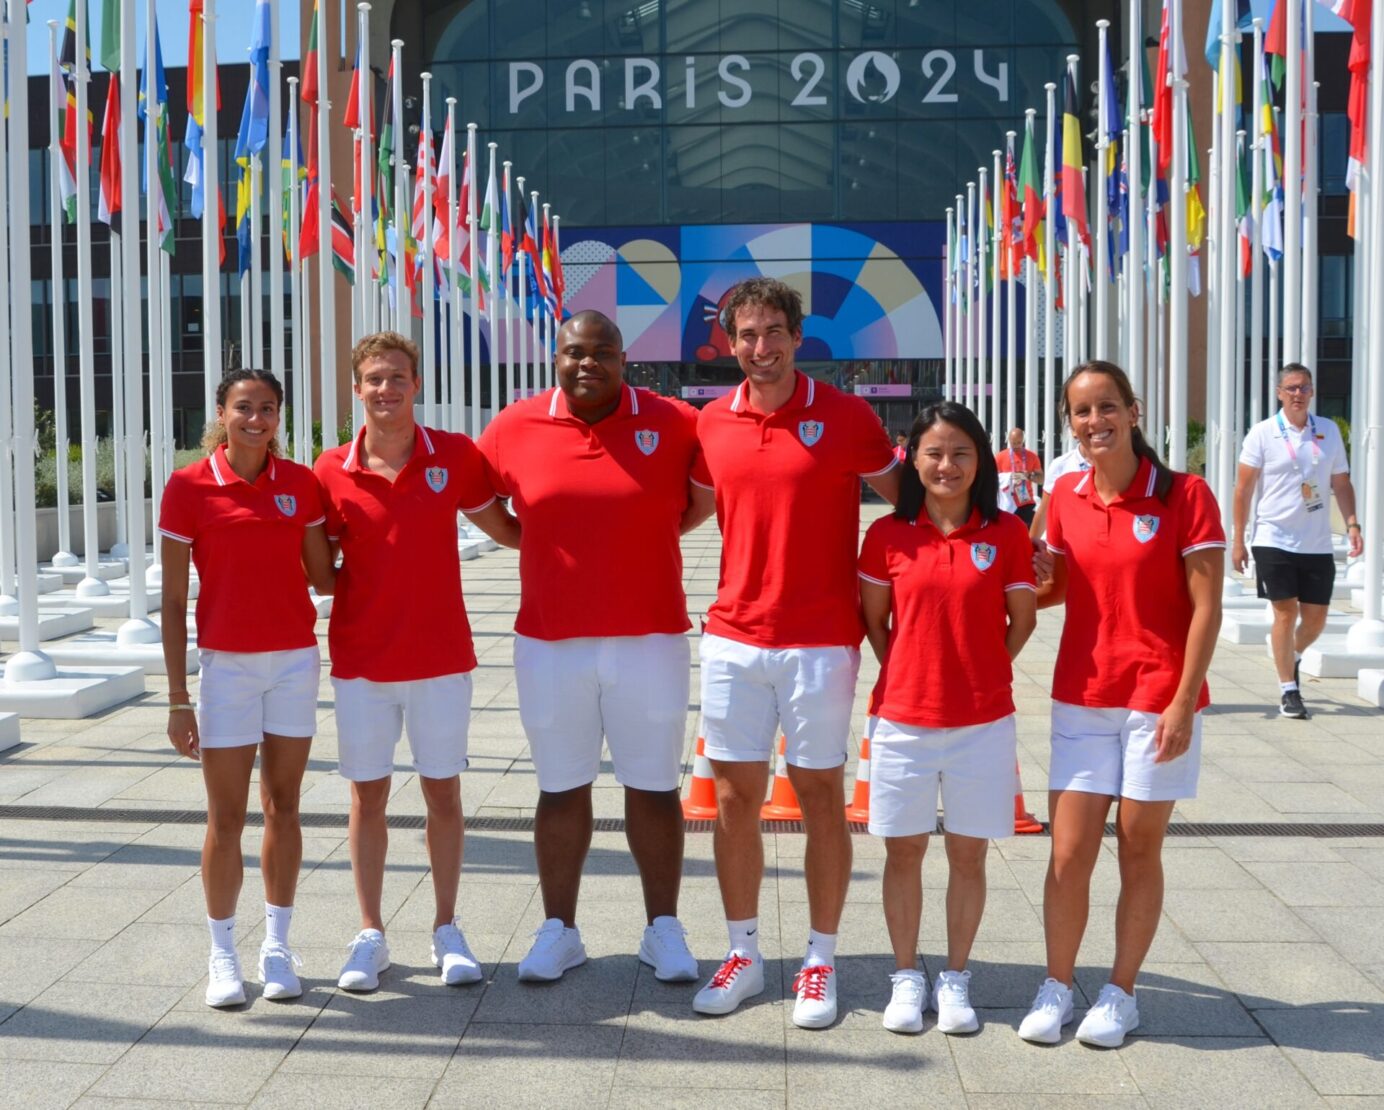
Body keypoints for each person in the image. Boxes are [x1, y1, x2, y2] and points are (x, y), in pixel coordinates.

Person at [688, 277, 900, 1028]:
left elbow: (911, 499)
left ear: (797, 336)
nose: (760, 347)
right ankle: (744, 952)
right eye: (746, 334)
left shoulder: (846, 417)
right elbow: (678, 513)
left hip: (819, 642)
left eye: (773, 331)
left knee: (819, 803)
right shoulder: (711, 423)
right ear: (729, 342)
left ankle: (819, 959)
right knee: (735, 802)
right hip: (733, 640)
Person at [477, 311, 712, 983]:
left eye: (601, 353)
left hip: (650, 638)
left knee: (654, 787)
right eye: (574, 353)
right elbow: (483, 500)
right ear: (556, 357)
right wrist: (535, 541)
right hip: (551, 642)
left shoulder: (672, 421)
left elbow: (695, 506)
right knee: (560, 786)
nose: (587, 364)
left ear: (623, 359)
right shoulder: (515, 425)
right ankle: (560, 930)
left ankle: (662, 929)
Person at [1021, 360, 1223, 1049]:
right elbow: (1055, 592)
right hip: (1083, 696)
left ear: (1133, 412)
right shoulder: (1066, 494)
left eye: (1107, 407)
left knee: (1139, 850)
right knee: (1068, 853)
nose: (1094, 422)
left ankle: (1121, 992)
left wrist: (1183, 700)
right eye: (1080, 412)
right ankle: (1056, 985)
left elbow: (1207, 607)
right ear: (1069, 424)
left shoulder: (1186, 494)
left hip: (1156, 697)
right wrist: (1038, 576)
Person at [314, 332, 519, 993]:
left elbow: (512, 528)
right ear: (357, 388)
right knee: (367, 796)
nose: (386, 388)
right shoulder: (329, 469)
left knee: (444, 795)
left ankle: (446, 928)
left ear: (416, 383)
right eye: (374, 378)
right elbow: (316, 566)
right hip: (362, 662)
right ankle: (371, 933)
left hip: (439, 658)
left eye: (397, 376)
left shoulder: (453, 456)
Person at [159, 369, 336, 1007]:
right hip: (226, 668)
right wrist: (178, 698)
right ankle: (222, 955)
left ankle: (278, 947)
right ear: (221, 413)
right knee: (226, 817)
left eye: (267, 408)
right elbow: (175, 600)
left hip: (293, 661)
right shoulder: (188, 488)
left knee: (284, 806)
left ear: (279, 416)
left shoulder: (301, 484)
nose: (255, 419)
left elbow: (325, 577)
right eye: (243, 408)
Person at [859, 402, 1037, 1035]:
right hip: (903, 718)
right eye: (934, 452)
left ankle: (956, 978)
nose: (947, 465)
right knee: (902, 853)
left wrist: (978, 667)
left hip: (983, 723)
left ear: (980, 461)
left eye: (961, 452)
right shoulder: (885, 535)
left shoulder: (1009, 534)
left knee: (969, 856)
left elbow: (1024, 622)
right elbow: (875, 622)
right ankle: (907, 975)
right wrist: (912, 668)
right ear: (913, 458)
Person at [1232, 364, 1362, 719]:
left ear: (1312, 392)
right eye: (1291, 388)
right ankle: (1289, 689)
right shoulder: (1262, 434)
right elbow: (1243, 490)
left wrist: (1352, 523)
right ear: (1279, 392)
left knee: (1316, 619)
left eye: (1304, 387)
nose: (1298, 394)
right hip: (1272, 537)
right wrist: (1238, 539)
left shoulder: (1329, 431)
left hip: (1316, 542)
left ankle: (1290, 654)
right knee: (1285, 611)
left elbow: (1341, 483)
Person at [1028, 439, 1090, 541]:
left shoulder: (1121, 465)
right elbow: (1045, 510)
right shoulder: (1061, 465)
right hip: (1070, 548)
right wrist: (1030, 548)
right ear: (1073, 430)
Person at [996, 427, 1043, 527]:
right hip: (1007, 503)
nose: (1016, 445)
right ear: (1009, 440)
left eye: (1019, 442)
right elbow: (992, 479)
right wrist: (1009, 478)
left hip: (1026, 502)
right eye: (1014, 443)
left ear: (1023, 440)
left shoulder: (1032, 456)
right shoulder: (1000, 457)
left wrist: (1028, 476)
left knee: (1026, 536)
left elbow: (1041, 480)